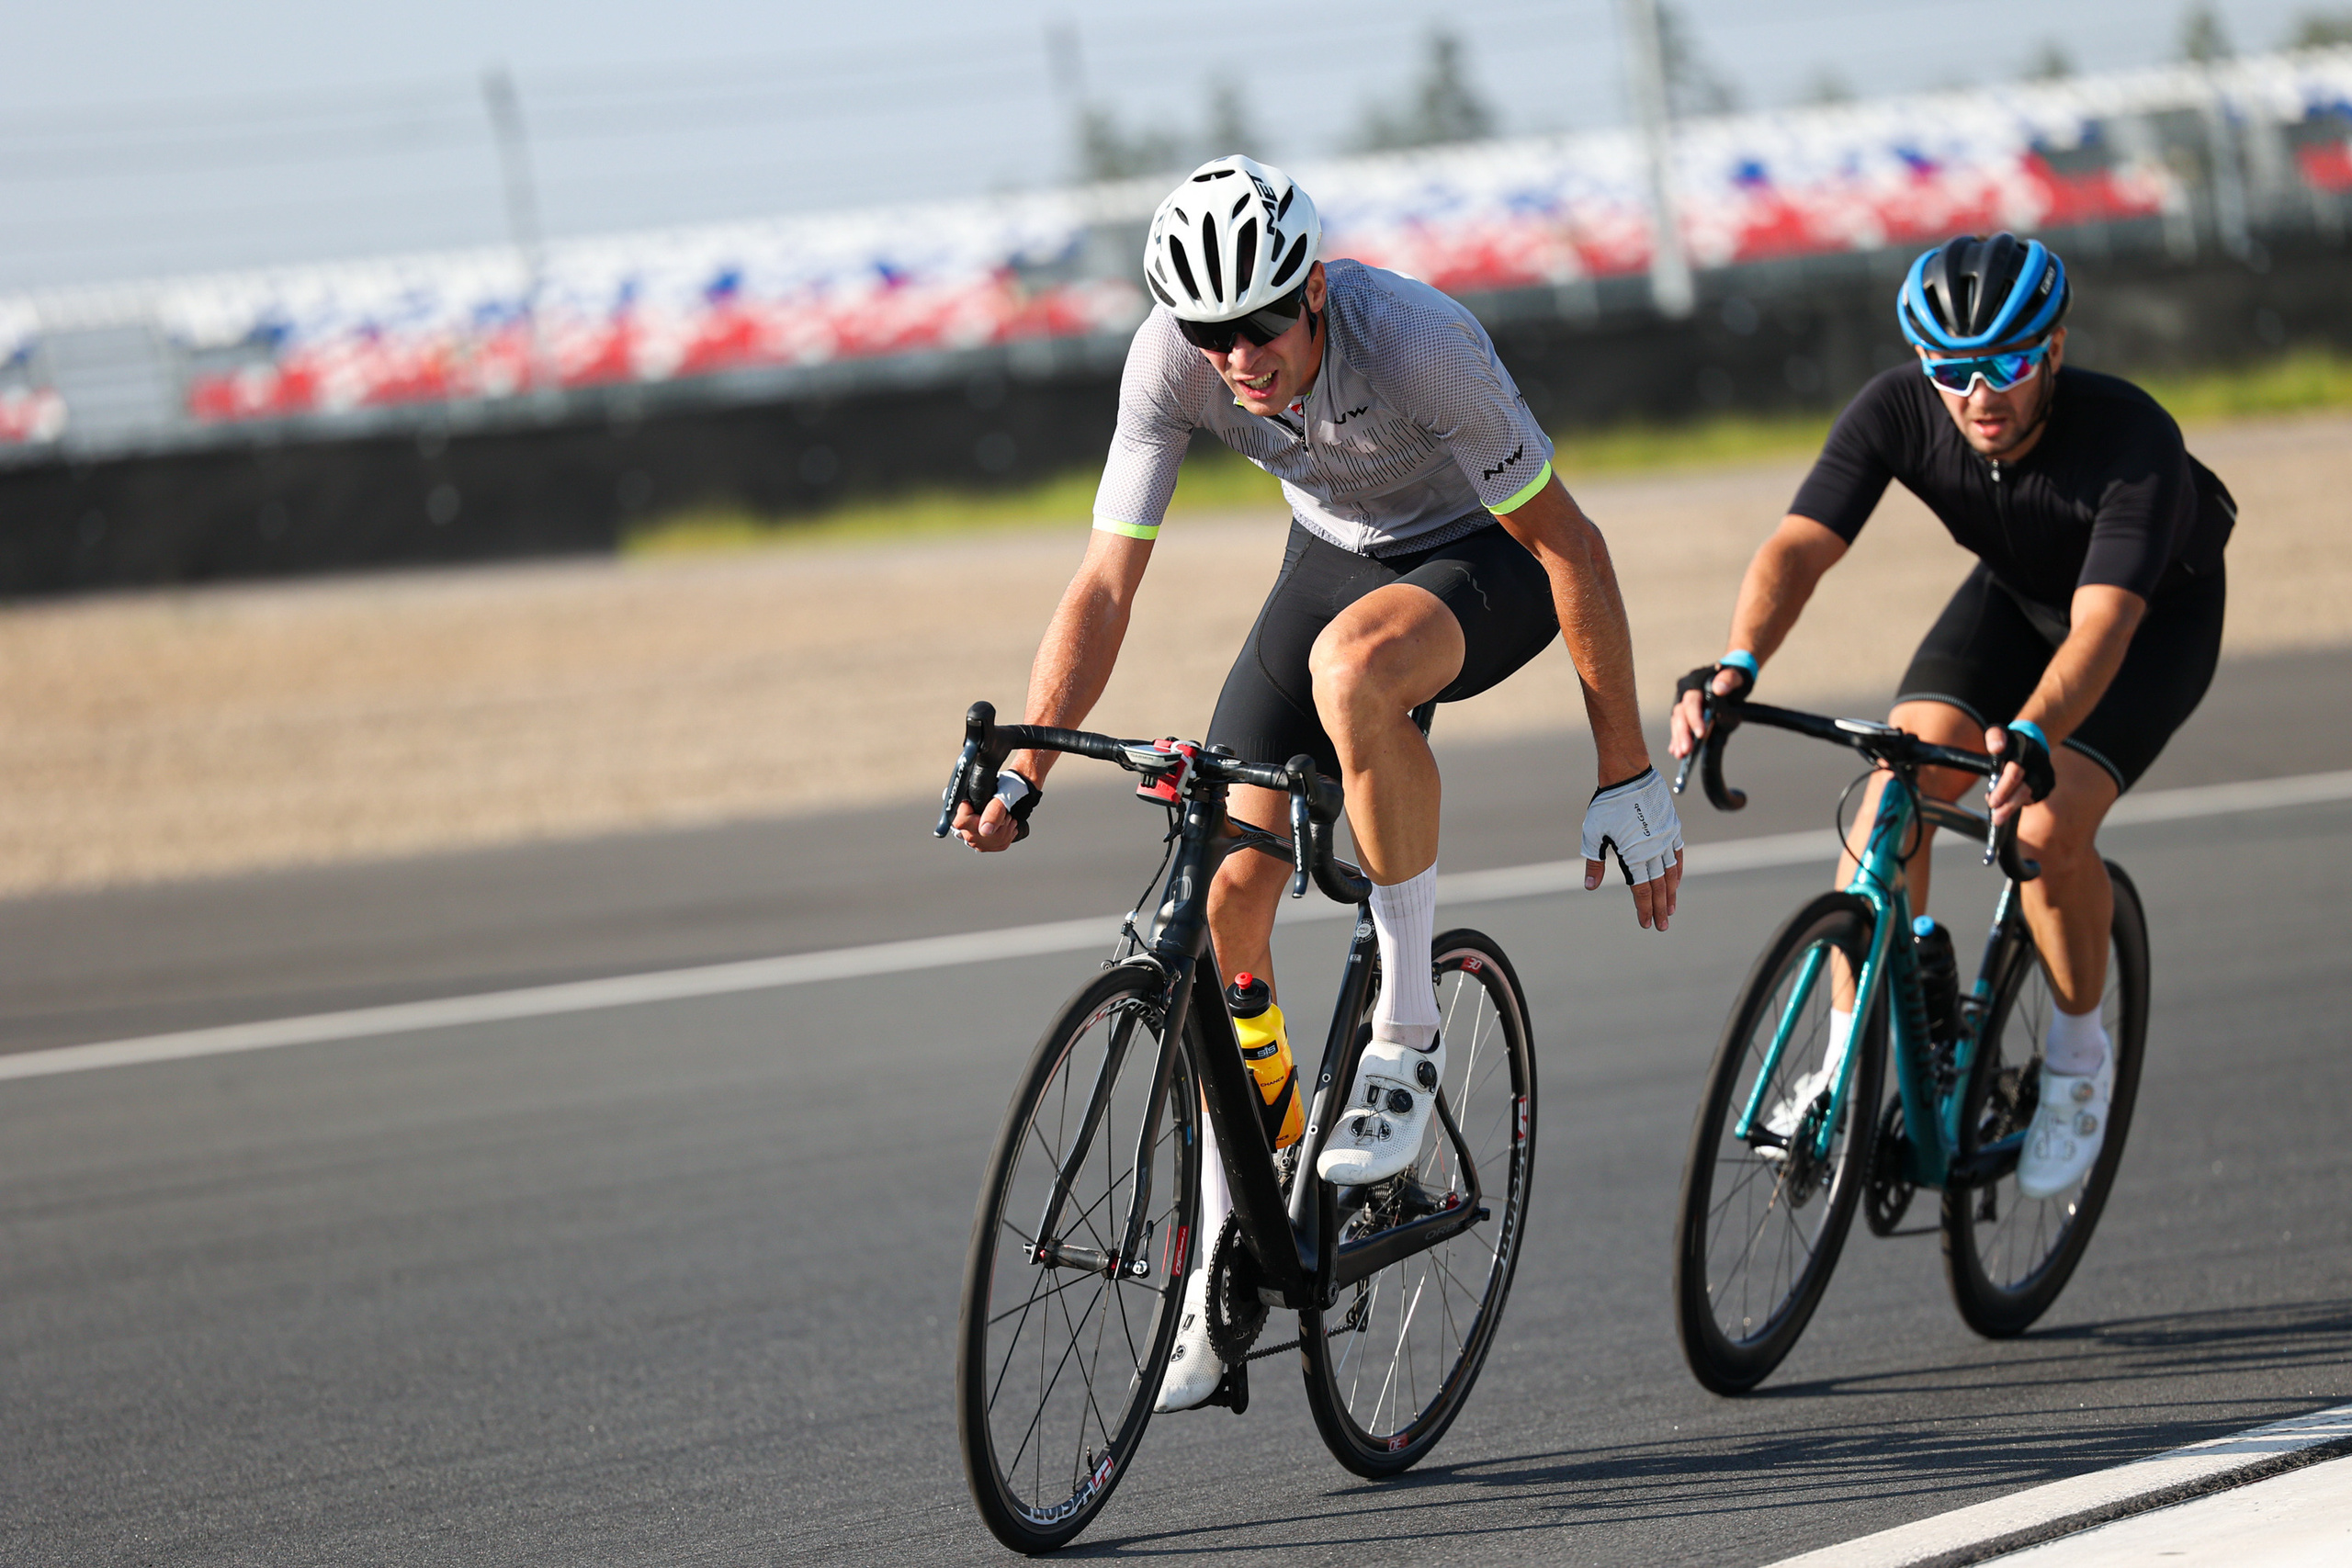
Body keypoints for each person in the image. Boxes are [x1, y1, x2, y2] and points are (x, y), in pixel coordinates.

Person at [952, 154, 1684, 1409]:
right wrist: (1026, 760)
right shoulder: (1168, 360)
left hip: (1480, 562)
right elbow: (1104, 582)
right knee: (1225, 891)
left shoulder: (1418, 343)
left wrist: (1627, 765)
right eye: (1209, 331)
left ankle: (1405, 1029)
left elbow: (1572, 545)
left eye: (1261, 325)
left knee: (1355, 674)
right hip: (1329, 562)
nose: (1239, 354)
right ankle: (1233, 1244)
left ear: (1314, 293)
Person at [1669, 231, 2231, 1203]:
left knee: (2045, 828)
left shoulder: (2129, 438)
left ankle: (2075, 1058)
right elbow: (1797, 547)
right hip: (2014, 601)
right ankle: (1846, 1060)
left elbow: (2100, 625)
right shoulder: (1898, 408)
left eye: (2008, 363)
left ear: (2053, 347)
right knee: (1898, 777)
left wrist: (2034, 733)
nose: (1981, 394)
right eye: (1952, 371)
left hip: (2143, 627)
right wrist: (1737, 664)